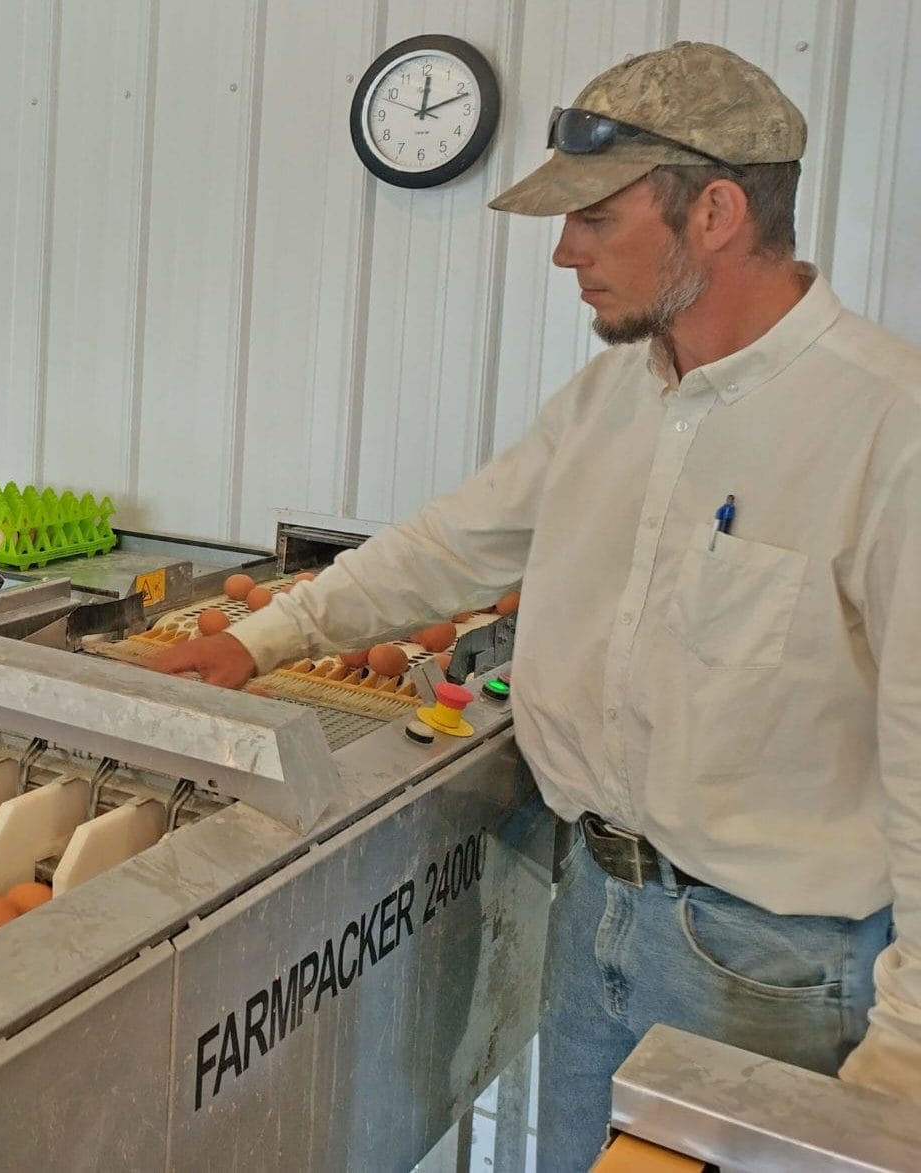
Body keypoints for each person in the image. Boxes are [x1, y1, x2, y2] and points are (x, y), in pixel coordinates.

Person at [146, 41, 921, 1170]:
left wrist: (902, 1056)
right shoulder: (613, 393)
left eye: (593, 218)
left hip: (772, 969)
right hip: (597, 900)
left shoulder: (883, 427)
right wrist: (258, 639)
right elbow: (455, 542)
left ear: (712, 212)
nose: (562, 252)